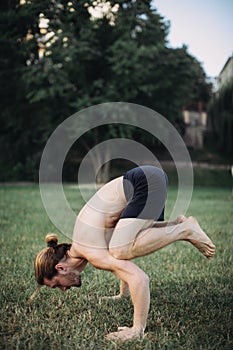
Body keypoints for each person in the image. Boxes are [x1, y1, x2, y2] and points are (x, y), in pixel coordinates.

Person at [34, 166, 215, 341]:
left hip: (144, 183)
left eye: (57, 285)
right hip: (147, 178)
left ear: (61, 268)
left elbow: (139, 278)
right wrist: (123, 294)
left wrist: (137, 328)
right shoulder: (83, 242)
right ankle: (176, 225)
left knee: (120, 248)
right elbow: (120, 259)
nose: (64, 290)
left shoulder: (90, 251)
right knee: (120, 246)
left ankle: (185, 230)